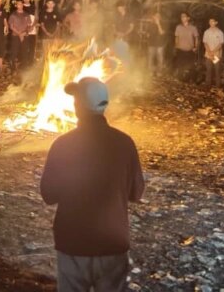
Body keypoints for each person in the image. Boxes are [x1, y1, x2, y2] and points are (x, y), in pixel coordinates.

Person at [40, 77, 145, 292]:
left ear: (79, 106)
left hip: (73, 242)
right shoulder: (125, 143)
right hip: (112, 242)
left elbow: (48, 194)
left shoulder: (63, 144)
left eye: (76, 100)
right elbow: (136, 192)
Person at [7, 0, 33, 72]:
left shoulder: (26, 15)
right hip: (15, 36)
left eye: (21, 4)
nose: (20, 5)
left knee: (24, 52)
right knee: (14, 51)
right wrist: (19, 34)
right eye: (18, 4)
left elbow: (29, 26)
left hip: (25, 36)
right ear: (16, 6)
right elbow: (11, 26)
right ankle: (13, 68)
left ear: (23, 5)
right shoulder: (13, 15)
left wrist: (24, 33)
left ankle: (24, 67)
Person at [173, 12, 199, 80]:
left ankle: (191, 80)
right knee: (180, 65)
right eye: (181, 17)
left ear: (188, 18)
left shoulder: (193, 28)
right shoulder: (178, 27)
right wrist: (176, 45)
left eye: (184, 16)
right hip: (180, 49)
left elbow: (196, 37)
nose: (182, 18)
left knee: (191, 66)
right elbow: (176, 37)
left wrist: (195, 47)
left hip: (190, 50)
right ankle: (180, 79)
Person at [202, 17, 224, 89]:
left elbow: (221, 44)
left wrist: (213, 52)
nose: (211, 23)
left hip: (216, 55)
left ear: (216, 22)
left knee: (217, 70)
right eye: (210, 21)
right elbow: (205, 42)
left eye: (212, 21)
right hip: (208, 54)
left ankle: (218, 86)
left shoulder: (220, 32)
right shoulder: (206, 32)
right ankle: (207, 85)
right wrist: (209, 52)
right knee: (208, 69)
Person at [144, 9, 165, 75]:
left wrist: (158, 24)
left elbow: (161, 32)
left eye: (158, 16)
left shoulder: (163, 24)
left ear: (160, 17)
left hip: (160, 44)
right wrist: (147, 35)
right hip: (151, 44)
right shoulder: (150, 24)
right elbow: (147, 33)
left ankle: (159, 71)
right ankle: (151, 71)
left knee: (160, 59)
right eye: (156, 16)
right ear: (153, 17)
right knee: (151, 58)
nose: (157, 17)